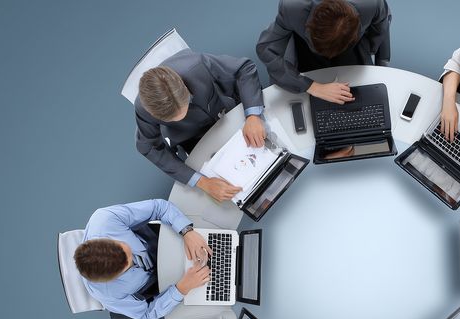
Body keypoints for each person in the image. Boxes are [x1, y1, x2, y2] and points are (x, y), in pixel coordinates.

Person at [134, 50, 266, 202]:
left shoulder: (197, 65)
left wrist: (253, 116)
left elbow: (243, 69)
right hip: (191, 140)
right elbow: (149, 148)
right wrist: (203, 183)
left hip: (226, 114)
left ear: (185, 87)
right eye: (174, 118)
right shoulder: (142, 109)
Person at [75, 199, 210, 319]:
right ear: (113, 278)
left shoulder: (104, 220)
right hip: (167, 283)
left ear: (105, 239)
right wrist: (181, 289)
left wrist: (186, 231)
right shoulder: (108, 296)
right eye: (128, 265)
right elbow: (147, 313)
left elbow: (159, 207)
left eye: (123, 246)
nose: (131, 253)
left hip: (167, 241)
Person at [257, 0, 392, 103]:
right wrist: (312, 87)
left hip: (351, 47)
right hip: (305, 49)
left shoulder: (371, 4)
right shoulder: (292, 7)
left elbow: (381, 27)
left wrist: (380, 67)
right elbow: (265, 48)